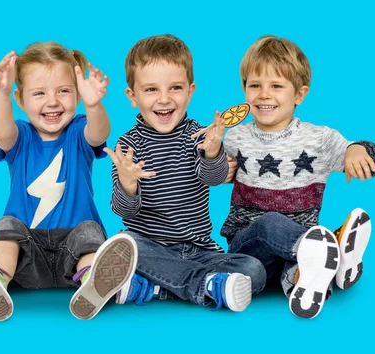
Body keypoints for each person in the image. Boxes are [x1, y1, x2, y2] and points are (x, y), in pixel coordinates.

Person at [0, 42, 137, 321]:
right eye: (39, 93)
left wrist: (95, 104)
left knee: (89, 231)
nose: (52, 102)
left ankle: (92, 283)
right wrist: (1, 91)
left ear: (77, 95)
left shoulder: (78, 132)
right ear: (20, 100)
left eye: (64, 91)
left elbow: (99, 134)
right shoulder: (20, 136)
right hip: (27, 256)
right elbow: (2, 130)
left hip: (73, 252)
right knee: (6, 227)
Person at [221, 35, 375, 318]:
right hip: (248, 247)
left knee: (301, 268)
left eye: (276, 86)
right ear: (244, 89)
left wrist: (358, 151)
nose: (264, 94)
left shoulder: (319, 139)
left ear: (299, 94)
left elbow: (372, 157)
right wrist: (213, 159)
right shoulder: (235, 136)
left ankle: (307, 281)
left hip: (295, 253)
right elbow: (211, 176)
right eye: (255, 85)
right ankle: (332, 247)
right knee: (270, 222)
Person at [106, 34, 266, 312]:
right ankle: (202, 286)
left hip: (201, 251)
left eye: (175, 88)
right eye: (151, 90)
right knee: (124, 244)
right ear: (132, 96)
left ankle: (157, 287)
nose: (164, 99)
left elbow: (213, 178)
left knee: (254, 268)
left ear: (190, 92)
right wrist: (127, 182)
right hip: (150, 248)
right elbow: (125, 211)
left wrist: (213, 152)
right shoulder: (128, 147)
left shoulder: (197, 136)